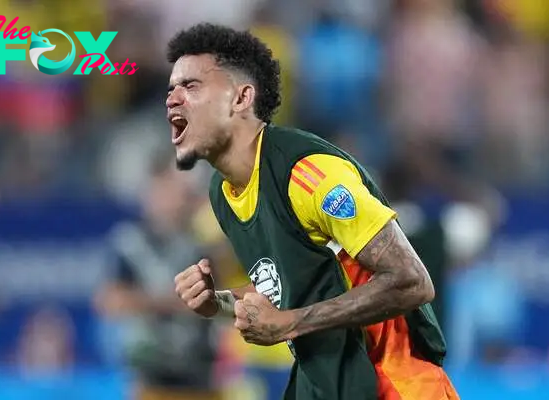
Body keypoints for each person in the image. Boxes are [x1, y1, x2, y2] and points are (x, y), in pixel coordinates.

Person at [169, 23, 459, 400]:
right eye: (172, 88)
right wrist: (218, 301)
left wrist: (287, 324)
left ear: (240, 99)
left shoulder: (308, 174)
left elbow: (412, 281)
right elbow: (291, 287)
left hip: (391, 384)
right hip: (323, 386)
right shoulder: (223, 194)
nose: (172, 99)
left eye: (191, 86)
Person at [95, 152, 219, 400]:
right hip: (147, 372)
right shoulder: (128, 243)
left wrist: (143, 302)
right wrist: (173, 302)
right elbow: (110, 302)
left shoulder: (200, 243)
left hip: (197, 372)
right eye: (160, 191)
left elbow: (212, 303)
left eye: (173, 191)